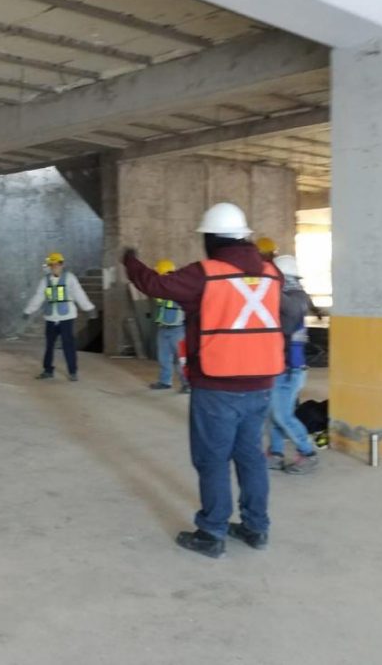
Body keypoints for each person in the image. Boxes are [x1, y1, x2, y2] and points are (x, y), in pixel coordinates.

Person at [123, 203, 284, 558]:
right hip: (261, 384)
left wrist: (131, 261)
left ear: (211, 239)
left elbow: (156, 284)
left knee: (213, 459)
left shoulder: (205, 274)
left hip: (218, 385)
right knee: (251, 458)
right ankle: (256, 527)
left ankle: (212, 532)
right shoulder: (273, 274)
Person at [267, 254, 320, 475]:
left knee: (282, 415)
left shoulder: (295, 299)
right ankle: (275, 453)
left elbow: (287, 321)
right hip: (281, 366)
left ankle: (308, 453)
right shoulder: (293, 296)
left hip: (290, 369)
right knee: (274, 413)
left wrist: (266, 285)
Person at [24, 252, 97, 382]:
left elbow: (79, 294)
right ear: (49, 266)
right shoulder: (45, 281)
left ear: (62, 265)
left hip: (66, 318)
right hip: (51, 318)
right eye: (52, 265)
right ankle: (48, 370)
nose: (54, 267)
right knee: (49, 346)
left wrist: (89, 308)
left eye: (57, 265)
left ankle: (72, 371)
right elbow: (38, 296)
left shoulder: (70, 279)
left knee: (68, 345)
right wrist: (28, 310)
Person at [150, 259, 189, 393]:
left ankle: (187, 384)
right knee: (164, 358)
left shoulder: (180, 288)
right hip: (163, 328)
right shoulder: (161, 288)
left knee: (181, 359)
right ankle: (165, 381)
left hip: (178, 330)